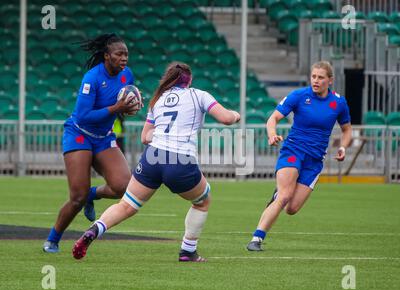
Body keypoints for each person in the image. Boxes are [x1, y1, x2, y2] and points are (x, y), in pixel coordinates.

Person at [72, 62, 241, 262]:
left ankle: (94, 230)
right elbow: (226, 119)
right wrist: (236, 115)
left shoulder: (157, 100)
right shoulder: (199, 95)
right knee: (202, 201)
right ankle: (188, 251)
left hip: (152, 157)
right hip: (179, 159)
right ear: (189, 80)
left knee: (127, 205)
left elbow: (145, 137)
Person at [43, 33, 141, 253]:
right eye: (119, 54)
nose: (124, 58)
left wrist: (131, 107)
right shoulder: (92, 78)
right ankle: (52, 239)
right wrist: (117, 109)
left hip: (103, 137)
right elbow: (84, 115)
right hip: (79, 133)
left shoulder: (127, 75)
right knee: (76, 197)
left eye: (126, 54)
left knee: (123, 187)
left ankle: (92, 194)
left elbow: (124, 102)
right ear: (107, 56)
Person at [246, 60, 353, 251]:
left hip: (314, 160)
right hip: (293, 151)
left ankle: (278, 194)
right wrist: (272, 135)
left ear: (330, 80)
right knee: (285, 196)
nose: (316, 81)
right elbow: (273, 118)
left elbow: (347, 130)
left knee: (291, 209)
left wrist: (343, 148)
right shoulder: (299, 96)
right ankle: (256, 239)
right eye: (313, 76)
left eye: (321, 77)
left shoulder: (339, 102)